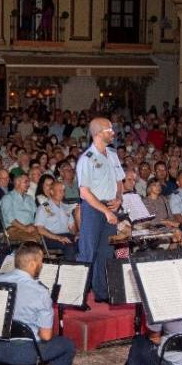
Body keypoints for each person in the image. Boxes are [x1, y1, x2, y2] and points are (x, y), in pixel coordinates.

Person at [0, 242, 75, 365]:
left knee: (9, 331)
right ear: (33, 263)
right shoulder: (40, 292)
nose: (42, 265)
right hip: (23, 355)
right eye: (41, 261)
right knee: (67, 345)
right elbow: (46, 336)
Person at [76, 117, 124, 302]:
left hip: (110, 206)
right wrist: (105, 211)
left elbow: (119, 180)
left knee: (106, 252)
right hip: (94, 208)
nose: (113, 132)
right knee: (88, 253)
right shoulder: (87, 158)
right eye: (109, 130)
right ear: (97, 133)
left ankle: (102, 293)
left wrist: (119, 198)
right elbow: (84, 192)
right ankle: (77, 297)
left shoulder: (112, 153)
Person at [33, 181, 78, 260]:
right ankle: (70, 267)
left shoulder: (66, 207)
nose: (63, 193)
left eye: (63, 191)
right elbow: (40, 229)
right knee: (69, 246)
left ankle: (83, 267)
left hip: (66, 235)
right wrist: (58, 238)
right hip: (50, 237)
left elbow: (72, 226)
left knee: (83, 242)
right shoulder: (44, 207)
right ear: (52, 192)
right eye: (60, 191)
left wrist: (76, 234)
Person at [0, 173, 39, 242]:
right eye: (26, 182)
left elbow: (36, 215)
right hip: (14, 229)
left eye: (28, 182)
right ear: (17, 182)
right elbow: (10, 219)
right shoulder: (8, 198)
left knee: (45, 237)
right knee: (32, 241)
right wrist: (25, 228)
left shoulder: (29, 198)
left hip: (31, 228)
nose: (28, 184)